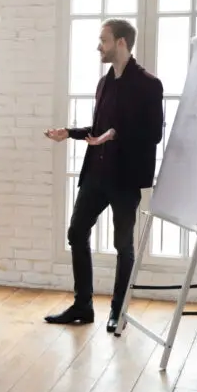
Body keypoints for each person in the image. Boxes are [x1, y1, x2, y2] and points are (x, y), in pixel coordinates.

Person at [43, 18, 163, 333]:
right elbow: (98, 131)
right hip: (96, 174)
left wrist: (116, 134)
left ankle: (117, 310)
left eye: (104, 40)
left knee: (123, 245)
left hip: (125, 179)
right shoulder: (103, 83)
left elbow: (154, 134)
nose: (99, 46)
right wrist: (68, 132)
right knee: (76, 232)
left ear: (121, 42)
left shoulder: (149, 84)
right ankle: (83, 305)